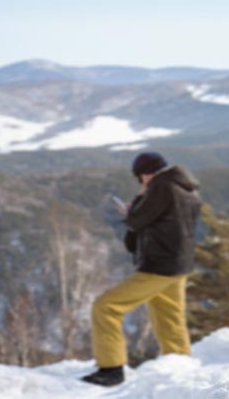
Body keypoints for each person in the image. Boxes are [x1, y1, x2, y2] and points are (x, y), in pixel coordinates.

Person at [82, 152, 202, 386]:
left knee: (106, 307)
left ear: (145, 174)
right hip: (180, 263)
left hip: (160, 265)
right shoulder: (187, 188)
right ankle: (182, 369)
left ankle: (111, 369)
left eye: (139, 178)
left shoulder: (162, 187)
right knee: (169, 317)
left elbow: (136, 221)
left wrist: (136, 204)